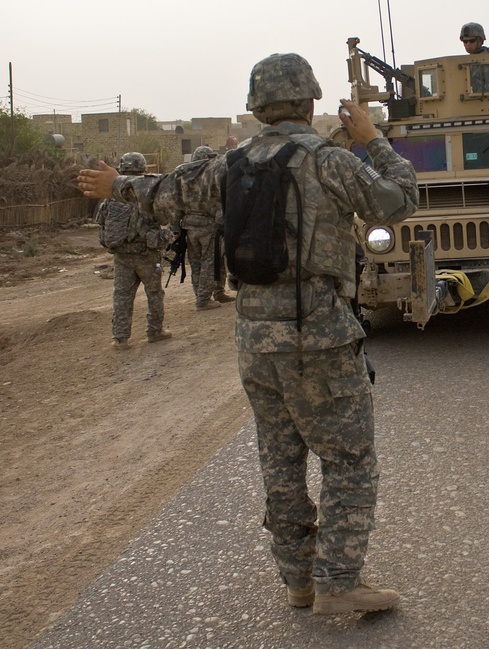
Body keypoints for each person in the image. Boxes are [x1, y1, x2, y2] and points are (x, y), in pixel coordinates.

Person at [78, 52, 418, 615]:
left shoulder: (230, 165)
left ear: (257, 106)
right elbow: (398, 201)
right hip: (321, 336)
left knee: (280, 461)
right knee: (348, 460)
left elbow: (166, 195)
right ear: (309, 101)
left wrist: (119, 184)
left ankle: (299, 581)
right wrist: (373, 139)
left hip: (256, 343)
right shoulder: (329, 161)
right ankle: (338, 580)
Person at [94, 152, 173, 349]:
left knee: (122, 295)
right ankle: (155, 331)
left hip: (121, 255)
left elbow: (101, 221)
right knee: (154, 293)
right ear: (143, 170)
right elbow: (164, 219)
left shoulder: (111, 197)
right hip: (146, 254)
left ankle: (120, 338)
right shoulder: (146, 194)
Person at [172, 145, 234, 311]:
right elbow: (220, 200)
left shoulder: (183, 176)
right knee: (210, 261)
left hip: (189, 225)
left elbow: (177, 203)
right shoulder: (212, 175)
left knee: (196, 262)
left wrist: (175, 227)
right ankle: (203, 299)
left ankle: (211, 293)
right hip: (209, 224)